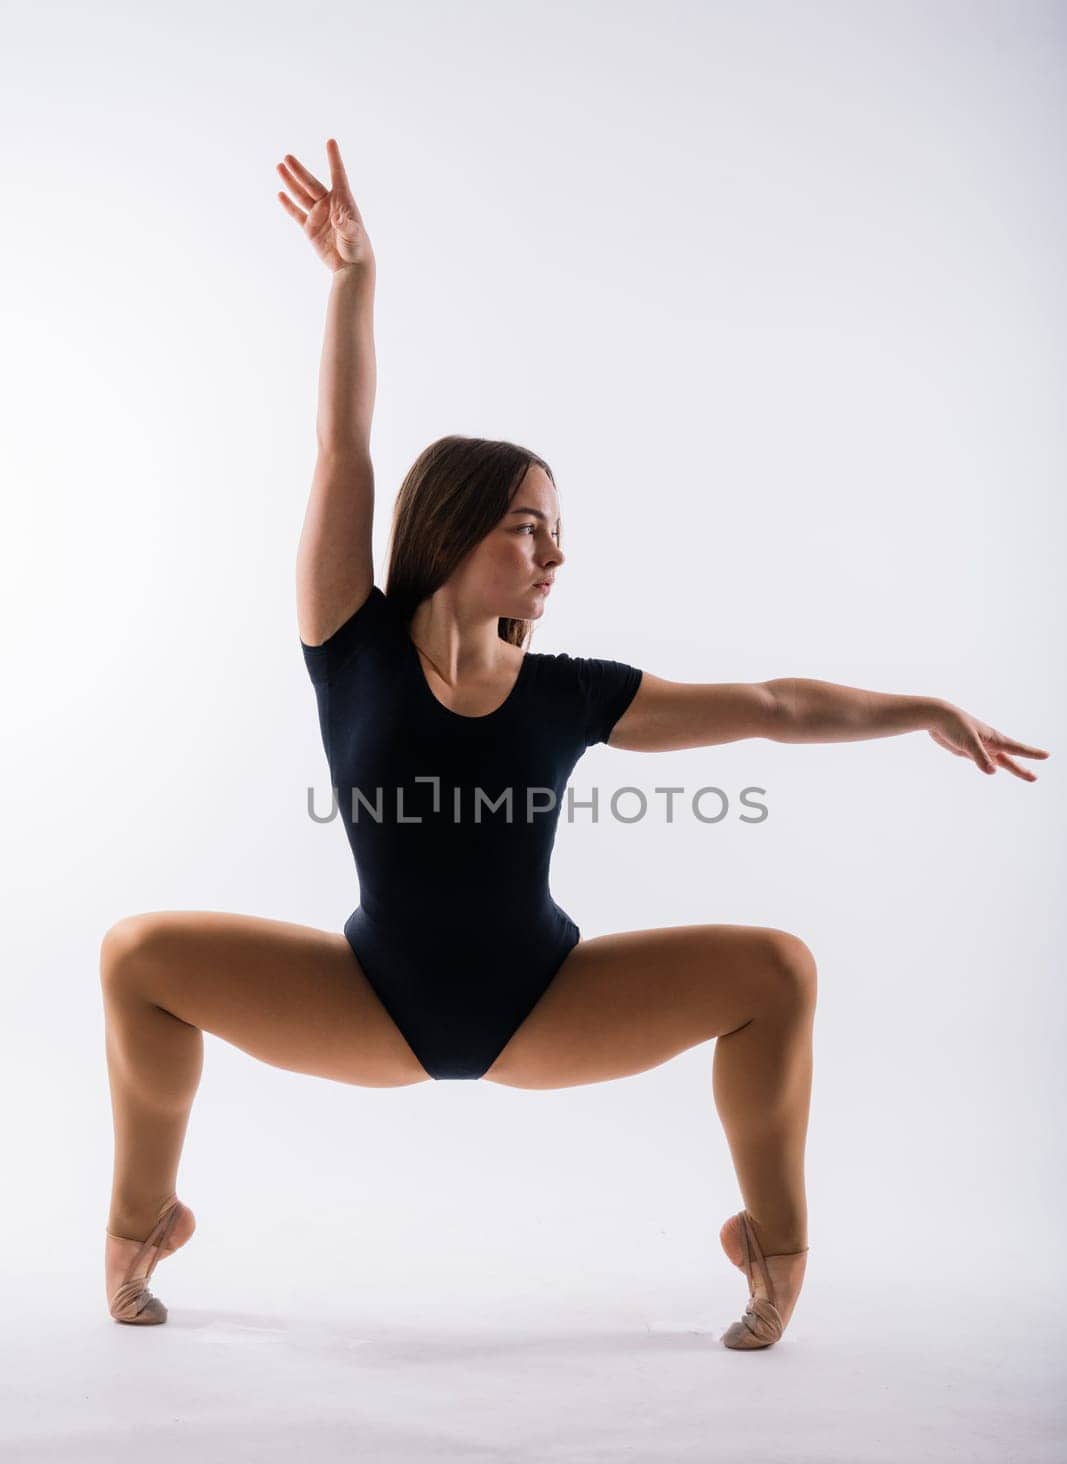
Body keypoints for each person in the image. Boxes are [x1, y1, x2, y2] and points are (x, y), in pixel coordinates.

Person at [100, 138, 1050, 1347]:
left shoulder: (570, 694)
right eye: (528, 530)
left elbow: (769, 703)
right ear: (451, 530)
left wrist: (918, 710)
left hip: (544, 1004)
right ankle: (141, 1224)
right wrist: (352, 277)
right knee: (138, 957)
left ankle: (773, 1245)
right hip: (366, 1001)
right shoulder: (352, 637)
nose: (552, 558)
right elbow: (344, 446)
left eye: (556, 538)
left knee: (775, 970)